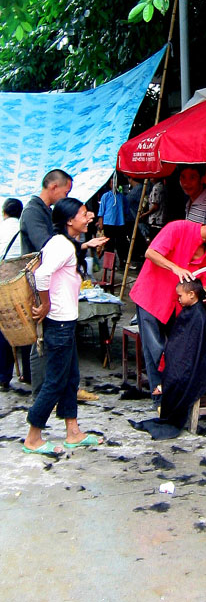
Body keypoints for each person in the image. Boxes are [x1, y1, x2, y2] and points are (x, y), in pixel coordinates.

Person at [129, 214, 206, 414]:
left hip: (177, 304)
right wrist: (175, 267)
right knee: (154, 348)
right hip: (151, 295)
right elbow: (151, 253)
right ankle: (159, 400)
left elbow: (205, 281)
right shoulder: (178, 227)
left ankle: (174, 395)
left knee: (175, 350)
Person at [22, 198, 108, 455]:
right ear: (69, 220)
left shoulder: (65, 243)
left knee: (71, 378)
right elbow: (41, 275)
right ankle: (33, 436)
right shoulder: (62, 246)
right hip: (58, 323)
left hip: (64, 322)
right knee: (56, 381)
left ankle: (74, 432)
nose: (88, 217)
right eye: (83, 213)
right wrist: (46, 303)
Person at [147, 278, 206, 436]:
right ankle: (166, 389)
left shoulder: (199, 316)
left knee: (180, 375)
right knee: (173, 366)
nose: (178, 299)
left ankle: (167, 391)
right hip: (192, 352)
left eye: (180, 296)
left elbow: (199, 345)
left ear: (192, 295)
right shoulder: (190, 312)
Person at [19, 169, 73, 397]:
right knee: (38, 338)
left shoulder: (44, 212)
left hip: (43, 279)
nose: (66, 195)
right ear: (53, 187)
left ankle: (48, 388)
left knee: (44, 336)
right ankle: (40, 392)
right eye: (66, 191)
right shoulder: (33, 212)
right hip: (36, 281)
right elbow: (46, 245)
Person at [179, 164, 206, 302]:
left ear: (202, 179)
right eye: (183, 177)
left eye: (192, 177)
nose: (187, 183)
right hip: (193, 276)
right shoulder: (190, 203)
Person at [0, 198, 30, 390]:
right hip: (22, 285)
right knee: (26, 325)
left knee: (3, 328)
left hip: (3, 284)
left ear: (4, 213)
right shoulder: (24, 230)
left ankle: (3, 376)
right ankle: (28, 373)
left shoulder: (1, 229)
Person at [96, 176, 128, 265]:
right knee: (109, 245)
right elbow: (101, 211)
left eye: (115, 183)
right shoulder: (105, 196)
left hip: (120, 223)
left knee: (121, 243)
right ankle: (110, 264)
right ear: (109, 184)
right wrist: (100, 222)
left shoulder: (122, 197)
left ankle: (123, 261)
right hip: (108, 223)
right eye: (112, 183)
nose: (114, 184)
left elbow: (126, 210)